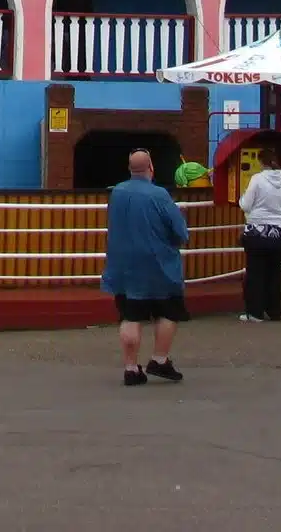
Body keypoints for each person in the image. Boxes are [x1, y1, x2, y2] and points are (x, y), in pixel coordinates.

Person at [101, 149, 190, 385]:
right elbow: (180, 232)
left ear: (130, 169)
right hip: (159, 265)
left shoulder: (117, 192)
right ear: (151, 167)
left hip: (123, 266)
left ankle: (131, 368)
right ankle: (159, 359)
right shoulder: (159, 195)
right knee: (169, 311)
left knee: (130, 315)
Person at [238, 146, 281, 323]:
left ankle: (255, 312)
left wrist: (242, 198)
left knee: (256, 273)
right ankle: (275, 311)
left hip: (257, 233)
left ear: (261, 162)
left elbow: (246, 205)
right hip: (279, 232)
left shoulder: (257, 179)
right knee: (275, 273)